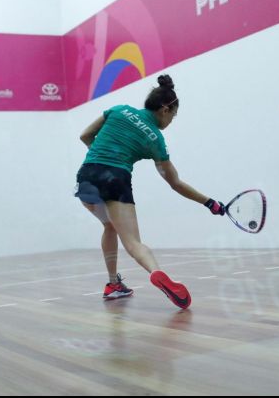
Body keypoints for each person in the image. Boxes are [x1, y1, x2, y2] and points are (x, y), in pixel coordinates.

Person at [74, 74, 225, 309]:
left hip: (86, 177)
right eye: (173, 115)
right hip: (116, 179)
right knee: (133, 243)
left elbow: (85, 136)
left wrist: (101, 157)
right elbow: (175, 183)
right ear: (165, 109)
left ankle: (113, 284)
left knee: (109, 226)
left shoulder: (119, 110)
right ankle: (156, 272)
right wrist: (209, 203)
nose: (172, 120)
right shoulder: (156, 139)